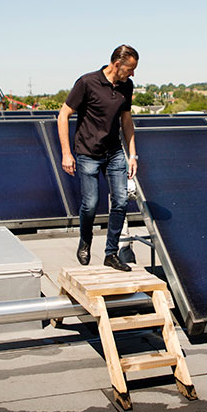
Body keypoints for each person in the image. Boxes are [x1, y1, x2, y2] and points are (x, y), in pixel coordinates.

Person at [58, 45, 139, 272]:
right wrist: (66, 152)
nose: (132, 74)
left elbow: (126, 122)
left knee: (121, 201)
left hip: (114, 153)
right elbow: (63, 115)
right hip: (87, 154)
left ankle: (110, 253)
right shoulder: (87, 82)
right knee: (91, 204)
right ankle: (85, 241)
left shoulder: (127, 86)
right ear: (116, 64)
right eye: (130, 69)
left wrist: (132, 154)